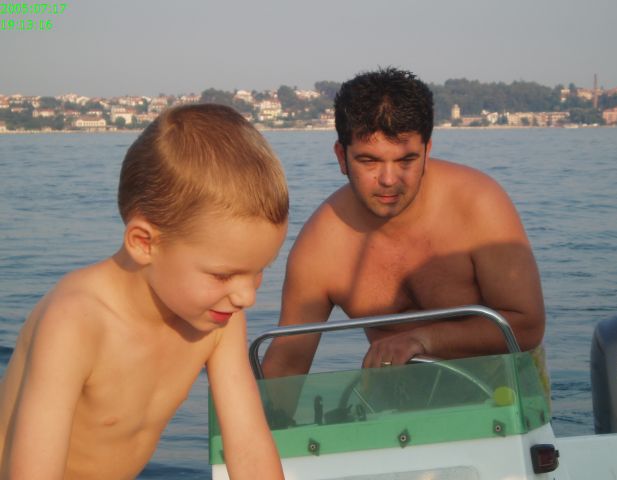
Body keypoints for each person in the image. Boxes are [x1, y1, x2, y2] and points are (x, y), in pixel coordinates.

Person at [0, 104, 287, 479]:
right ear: (144, 243)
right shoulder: (75, 322)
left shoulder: (219, 316)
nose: (246, 296)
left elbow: (248, 448)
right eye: (223, 275)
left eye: (259, 271)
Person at [262, 67, 545, 380]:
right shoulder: (321, 245)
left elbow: (528, 327)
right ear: (342, 157)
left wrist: (421, 340)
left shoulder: (479, 204)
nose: (388, 179)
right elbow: (287, 364)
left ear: (427, 152)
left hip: (504, 397)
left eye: (406, 160)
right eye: (369, 161)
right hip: (395, 402)